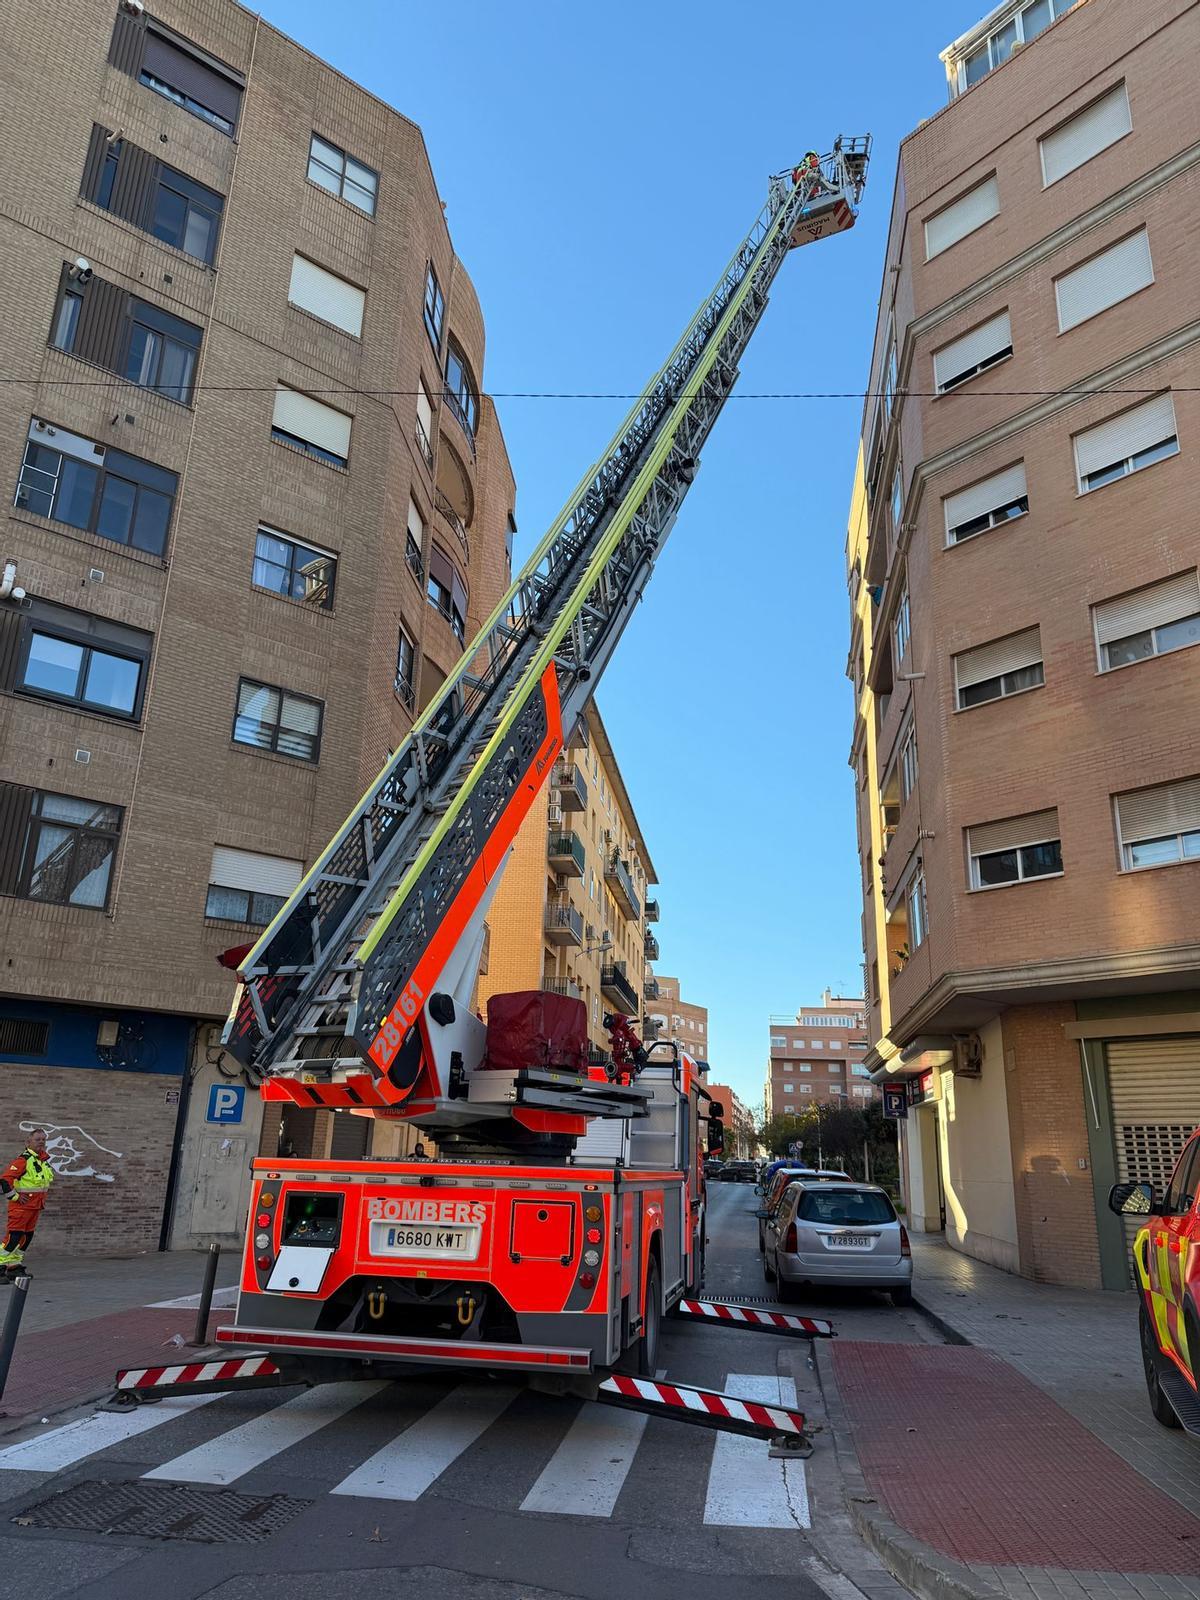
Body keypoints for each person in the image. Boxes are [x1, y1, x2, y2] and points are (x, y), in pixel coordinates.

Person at [0, 1129, 54, 1276]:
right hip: (21, 1208)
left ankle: (14, 1266)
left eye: (43, 1139)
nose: (41, 1142)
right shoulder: (23, 1160)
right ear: (28, 1142)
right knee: (13, 1237)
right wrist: (15, 1197)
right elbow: (5, 1179)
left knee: (26, 1238)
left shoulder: (42, 1161)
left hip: (35, 1207)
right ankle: (0, 1265)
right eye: (37, 1139)